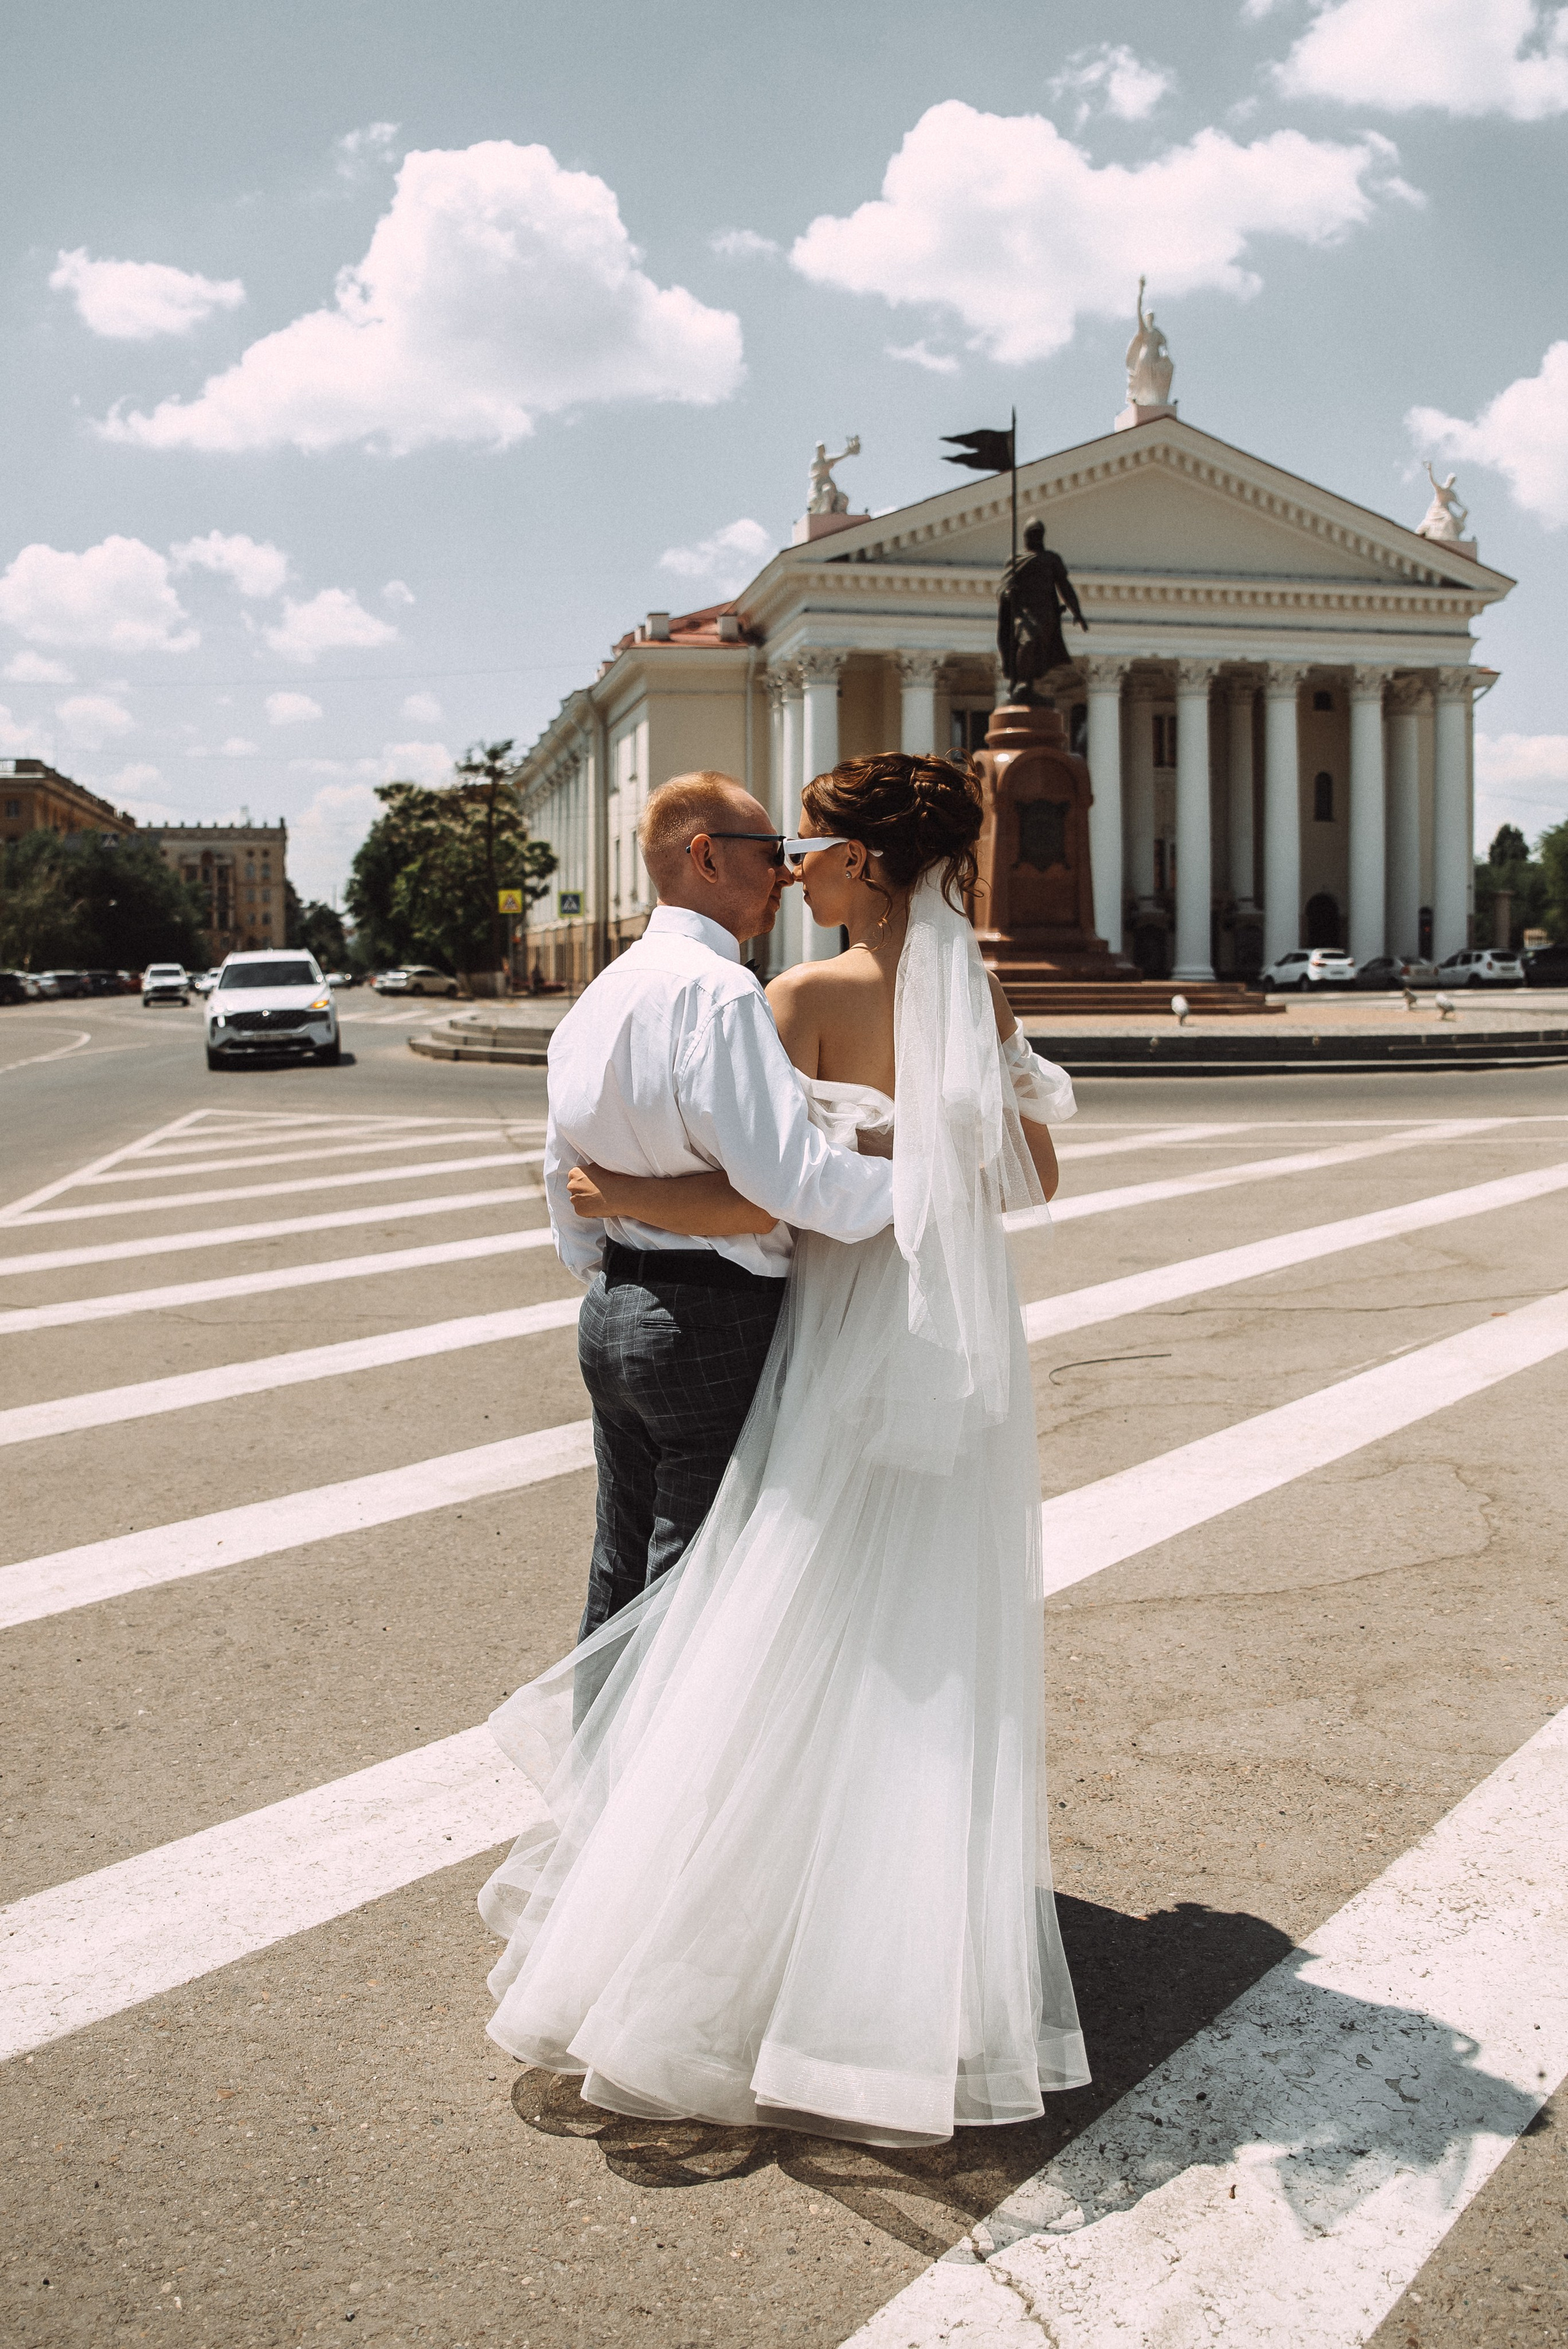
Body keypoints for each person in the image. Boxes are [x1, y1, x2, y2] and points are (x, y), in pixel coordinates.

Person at [481, 752, 1087, 2147]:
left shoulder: (799, 998)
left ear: (866, 864)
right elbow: (1027, 1178)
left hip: (833, 1323)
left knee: (772, 1603)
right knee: (916, 1623)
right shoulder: (976, 992)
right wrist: (939, 1160)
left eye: (814, 842)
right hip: (951, 1329)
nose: (796, 862)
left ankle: (728, 1905)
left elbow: (790, 1201)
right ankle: (902, 1915)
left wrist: (620, 1194)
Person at [541, 767, 894, 1642]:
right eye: (769, 852)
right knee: (696, 1585)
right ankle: (665, 1779)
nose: (784, 872)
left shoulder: (599, 995)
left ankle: (600, 1766)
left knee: (618, 1566)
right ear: (705, 856)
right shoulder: (719, 990)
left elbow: (564, 1178)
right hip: (712, 1317)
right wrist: (923, 1189)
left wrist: (619, 1251)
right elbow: (788, 1182)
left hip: (611, 1311)